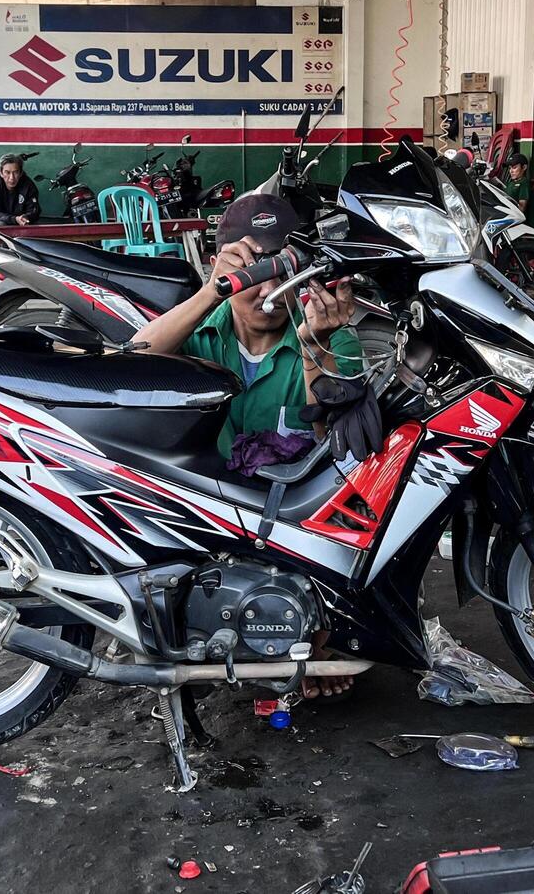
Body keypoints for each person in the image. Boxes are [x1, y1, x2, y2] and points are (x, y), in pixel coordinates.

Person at [131, 192, 363, 698]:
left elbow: (338, 447)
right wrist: (211, 293)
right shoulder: (200, 330)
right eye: (254, 270)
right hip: (207, 516)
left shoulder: (330, 334)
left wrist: (313, 346)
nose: (269, 290)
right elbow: (134, 360)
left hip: (294, 521)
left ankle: (314, 637)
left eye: (284, 270)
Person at [0, 153, 40, 226]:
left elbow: (34, 211)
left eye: (15, 172)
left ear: (21, 173)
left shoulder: (28, 185)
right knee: (1, 225)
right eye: (7, 172)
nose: (11, 178)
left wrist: (26, 217)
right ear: (1, 173)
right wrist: (14, 219)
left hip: (21, 222)